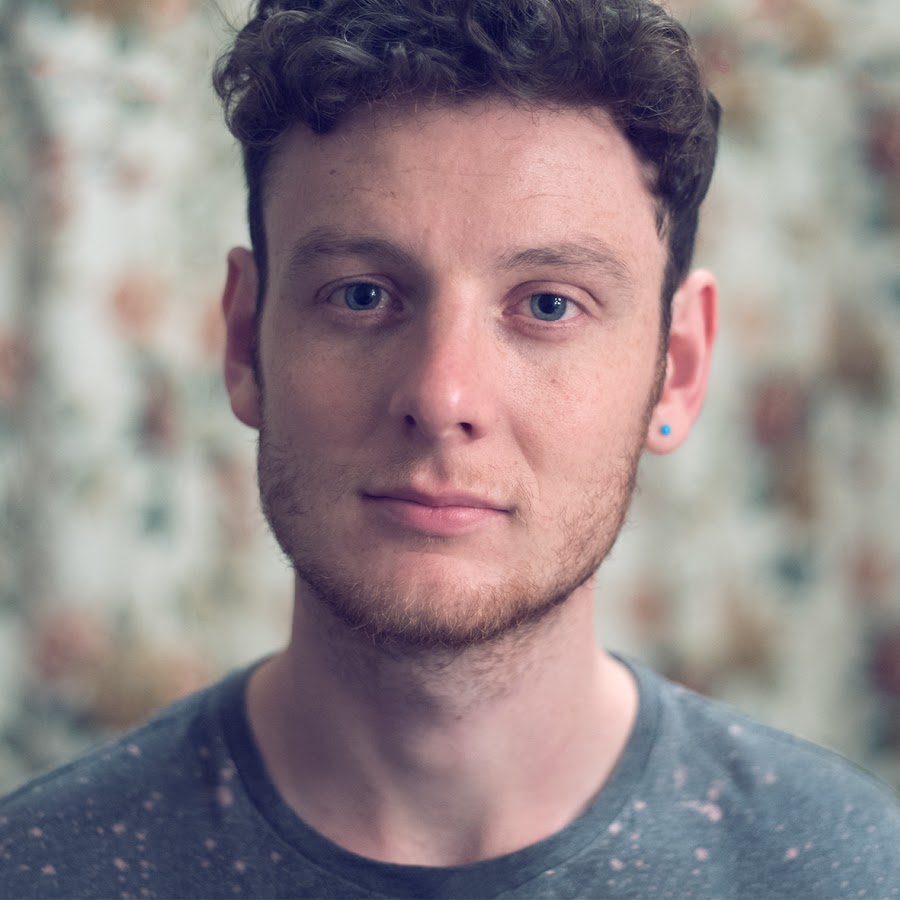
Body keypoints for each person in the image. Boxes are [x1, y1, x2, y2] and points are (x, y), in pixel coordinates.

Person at [1, 0, 898, 897]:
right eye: (361, 295)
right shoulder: (37, 870)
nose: (442, 397)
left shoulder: (848, 869)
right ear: (244, 343)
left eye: (548, 304)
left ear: (680, 369)